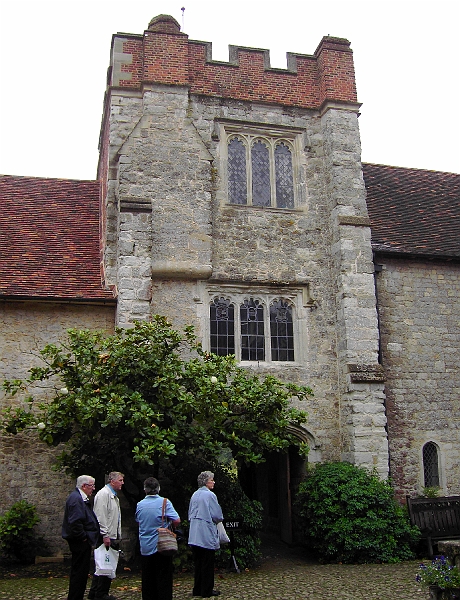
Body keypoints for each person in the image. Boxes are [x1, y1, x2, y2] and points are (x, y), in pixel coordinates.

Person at [135, 477, 181, 600]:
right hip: (162, 544)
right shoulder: (165, 503)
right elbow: (176, 520)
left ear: (145, 490)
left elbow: (139, 521)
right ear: (158, 489)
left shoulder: (140, 505)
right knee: (163, 578)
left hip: (145, 545)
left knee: (147, 578)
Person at [62, 475, 100, 600]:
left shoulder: (79, 498)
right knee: (79, 573)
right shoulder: (76, 499)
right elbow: (75, 522)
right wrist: (83, 537)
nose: (93, 489)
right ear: (84, 486)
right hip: (80, 542)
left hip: (82, 541)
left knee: (82, 573)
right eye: (91, 486)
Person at [88, 471, 124, 600]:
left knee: (103, 564)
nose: (122, 483)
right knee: (105, 564)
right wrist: (105, 534)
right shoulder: (104, 495)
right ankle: (101, 593)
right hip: (106, 536)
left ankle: (95, 592)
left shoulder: (113, 496)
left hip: (110, 534)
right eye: (120, 480)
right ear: (112, 481)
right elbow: (100, 516)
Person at [188, 471, 223, 598]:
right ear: (206, 482)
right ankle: (206, 590)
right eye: (212, 480)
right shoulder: (210, 495)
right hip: (205, 533)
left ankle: (197, 588)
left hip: (194, 533)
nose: (213, 482)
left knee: (198, 563)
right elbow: (217, 515)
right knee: (207, 563)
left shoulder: (194, 495)